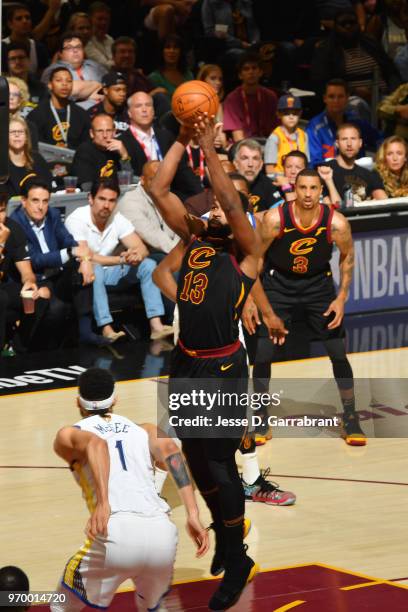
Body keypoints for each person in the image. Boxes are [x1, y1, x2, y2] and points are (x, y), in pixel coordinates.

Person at [150, 118, 260, 610]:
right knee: (195, 460)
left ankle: (237, 560)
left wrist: (211, 149)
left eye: (222, 202)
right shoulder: (194, 238)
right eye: (212, 201)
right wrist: (182, 137)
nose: (215, 204)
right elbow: (157, 187)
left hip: (224, 369)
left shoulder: (246, 250)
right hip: (186, 362)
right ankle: (226, 535)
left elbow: (231, 201)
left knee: (220, 462)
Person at [50, 366, 208, 612]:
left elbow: (97, 445)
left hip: (116, 532)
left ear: (77, 402)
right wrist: (193, 514)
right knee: (153, 607)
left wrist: (103, 503)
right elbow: (173, 455)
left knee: (61, 604)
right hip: (162, 534)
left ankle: (9, 602)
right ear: (115, 399)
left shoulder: (70, 434)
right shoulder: (144, 430)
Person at [243, 169, 367, 447]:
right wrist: (252, 299)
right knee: (263, 352)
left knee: (337, 351)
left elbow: (347, 259)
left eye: (313, 188)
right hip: (278, 284)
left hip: (318, 286)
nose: (308, 194)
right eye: (303, 188)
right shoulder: (275, 219)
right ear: (294, 189)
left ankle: (350, 416)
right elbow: (255, 260)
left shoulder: (336, 223)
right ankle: (261, 413)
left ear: (321, 191)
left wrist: (342, 297)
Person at [65, 177, 174, 341]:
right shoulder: (77, 219)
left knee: (149, 264)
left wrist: (135, 255)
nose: (106, 205)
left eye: (111, 200)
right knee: (95, 269)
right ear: (90, 199)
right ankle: (106, 328)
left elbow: (141, 248)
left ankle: (156, 325)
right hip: (84, 274)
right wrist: (121, 260)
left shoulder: (117, 218)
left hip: (113, 272)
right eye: (102, 199)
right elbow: (86, 255)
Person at [10, 179, 110, 347]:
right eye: (35, 200)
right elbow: (34, 260)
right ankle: (43, 350)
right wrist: (70, 252)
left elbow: (67, 240)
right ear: (23, 201)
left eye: (45, 201)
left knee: (81, 269)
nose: (40, 206)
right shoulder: (16, 223)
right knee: (57, 309)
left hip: (56, 275)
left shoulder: (52, 215)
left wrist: (84, 259)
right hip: (35, 280)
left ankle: (86, 333)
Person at [120, 92, 202, 199]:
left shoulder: (166, 137)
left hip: (169, 196)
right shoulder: (122, 142)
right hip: (138, 197)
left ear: (153, 111)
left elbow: (183, 171)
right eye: (138, 106)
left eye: (148, 105)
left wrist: (201, 196)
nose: (144, 110)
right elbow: (126, 179)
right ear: (129, 113)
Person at [0, 189, 50, 355]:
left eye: (1, 211)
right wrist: (1, 244)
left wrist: (30, 283)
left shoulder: (12, 229)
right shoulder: (4, 236)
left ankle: (17, 349)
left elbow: (26, 272)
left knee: (40, 294)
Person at [306, 78, 383, 167]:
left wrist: (380, 157)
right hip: (328, 176)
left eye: (340, 96)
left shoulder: (356, 121)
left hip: (359, 176)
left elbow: (381, 140)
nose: (336, 101)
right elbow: (314, 164)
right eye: (331, 96)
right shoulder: (315, 127)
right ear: (325, 98)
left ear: (347, 98)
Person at [117, 160, 179, 254]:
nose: (160, 184)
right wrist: (178, 253)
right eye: (153, 179)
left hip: (169, 251)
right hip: (142, 256)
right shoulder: (130, 201)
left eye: (164, 179)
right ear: (142, 180)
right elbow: (150, 234)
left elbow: (180, 228)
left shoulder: (170, 198)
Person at [28, 66, 91, 149]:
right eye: (59, 80)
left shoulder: (81, 115)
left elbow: (86, 145)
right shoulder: (37, 115)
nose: (64, 84)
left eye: (69, 81)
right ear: (50, 85)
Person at [324, 123, 387, 203]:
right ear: (337, 144)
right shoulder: (325, 170)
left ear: (360, 143)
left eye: (353, 139)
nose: (349, 144)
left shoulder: (369, 174)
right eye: (344, 139)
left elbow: (383, 201)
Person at [223, 52, 278, 142]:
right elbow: (238, 138)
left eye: (254, 68)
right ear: (240, 75)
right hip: (243, 147)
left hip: (267, 144)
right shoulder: (232, 99)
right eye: (246, 69)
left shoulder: (270, 96)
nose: (251, 72)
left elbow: (275, 131)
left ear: (260, 72)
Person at [41, 33, 105, 109]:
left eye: (78, 47)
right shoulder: (52, 70)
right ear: (60, 54)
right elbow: (67, 89)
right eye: (69, 48)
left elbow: (110, 89)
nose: (75, 50)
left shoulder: (95, 66)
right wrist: (97, 85)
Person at [71, 114, 131, 190]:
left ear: (114, 132)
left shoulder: (118, 149)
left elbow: (129, 183)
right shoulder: (84, 151)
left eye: (108, 130)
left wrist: (124, 156)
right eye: (100, 131)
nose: (105, 135)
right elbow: (87, 187)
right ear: (92, 133)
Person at [6, 116, 53, 198]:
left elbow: (48, 187)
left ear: (26, 137)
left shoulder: (37, 159)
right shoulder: (2, 164)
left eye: (20, 132)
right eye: (12, 132)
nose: (17, 135)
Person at [232, 139, 282, 212]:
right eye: (245, 158)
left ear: (261, 164)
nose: (250, 164)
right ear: (236, 163)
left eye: (255, 158)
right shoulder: (227, 184)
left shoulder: (269, 185)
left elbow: (279, 215)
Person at [264, 94, 309, 175]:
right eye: (286, 113)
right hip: (281, 180)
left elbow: (307, 164)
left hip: (300, 179)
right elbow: (269, 169)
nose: (291, 116)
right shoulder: (275, 137)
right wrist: (283, 181)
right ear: (278, 114)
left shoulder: (303, 135)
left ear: (300, 114)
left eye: (295, 113)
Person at [148, 34, 194, 98]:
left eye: (175, 47)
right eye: (167, 47)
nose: (172, 51)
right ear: (162, 51)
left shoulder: (188, 75)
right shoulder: (154, 78)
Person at [5, 42, 48, 107]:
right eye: (13, 58)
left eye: (21, 57)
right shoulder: (2, 88)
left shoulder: (41, 89)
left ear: (29, 60)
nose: (17, 62)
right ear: (7, 63)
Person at [85, 2, 114, 70]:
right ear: (90, 20)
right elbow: (104, 65)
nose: (104, 23)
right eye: (100, 19)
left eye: (106, 19)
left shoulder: (110, 39)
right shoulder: (86, 41)